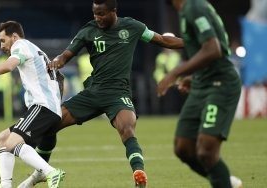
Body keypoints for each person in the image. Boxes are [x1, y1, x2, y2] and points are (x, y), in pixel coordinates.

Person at [18, 0, 183, 187]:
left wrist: (193, 44)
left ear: (114, 11)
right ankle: (39, 173)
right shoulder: (88, 30)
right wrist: (58, 61)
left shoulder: (133, 27)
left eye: (102, 14)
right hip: (92, 93)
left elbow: (162, 40)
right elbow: (66, 55)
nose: (98, 18)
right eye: (95, 13)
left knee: (127, 129)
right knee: (50, 125)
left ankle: (139, 172)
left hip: (118, 94)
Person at [0, 21, 65, 188]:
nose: (1, 46)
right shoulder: (35, 49)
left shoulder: (20, 44)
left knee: (12, 143)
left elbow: (9, 66)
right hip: (46, 108)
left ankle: (50, 171)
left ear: (14, 37)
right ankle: (5, 185)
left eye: (2, 40)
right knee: (3, 139)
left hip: (43, 107)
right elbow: (60, 77)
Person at [157, 0, 242, 187]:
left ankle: (224, 183)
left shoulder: (194, 7)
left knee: (206, 150)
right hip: (202, 82)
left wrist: (176, 72)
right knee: (183, 148)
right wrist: (195, 76)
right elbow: (207, 46)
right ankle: (226, 182)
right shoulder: (186, 10)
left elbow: (213, 49)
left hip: (220, 83)